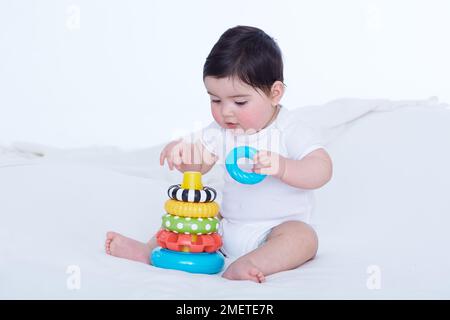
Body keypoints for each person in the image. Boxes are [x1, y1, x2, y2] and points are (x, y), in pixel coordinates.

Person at [105, 25, 333, 283]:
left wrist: (283, 167)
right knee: (192, 213)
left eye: (239, 102)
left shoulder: (290, 129)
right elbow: (199, 164)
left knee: (304, 238)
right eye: (215, 100)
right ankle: (150, 251)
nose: (226, 112)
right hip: (224, 227)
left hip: (275, 230)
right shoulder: (222, 131)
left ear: (274, 93)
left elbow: (321, 169)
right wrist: (184, 154)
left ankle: (253, 262)